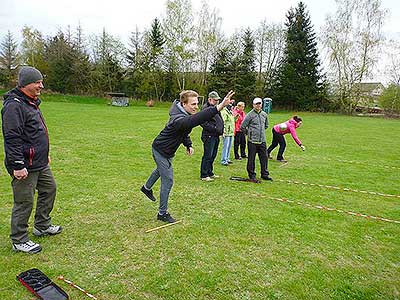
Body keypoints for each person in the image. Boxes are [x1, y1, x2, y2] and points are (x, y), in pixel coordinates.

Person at [141, 90, 234, 223]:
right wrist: (218, 107)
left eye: (197, 103)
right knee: (168, 179)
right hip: (160, 150)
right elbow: (193, 121)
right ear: (183, 104)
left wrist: (188, 145)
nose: (196, 107)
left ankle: (146, 188)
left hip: (168, 151)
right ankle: (162, 213)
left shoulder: (183, 114)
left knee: (160, 171)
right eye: (193, 104)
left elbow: (184, 133)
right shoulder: (178, 119)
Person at [2, 66, 62, 254]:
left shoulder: (30, 102)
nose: (41, 86)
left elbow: (35, 134)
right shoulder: (14, 106)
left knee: (49, 189)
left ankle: (42, 225)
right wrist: (17, 165)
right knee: (24, 201)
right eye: (37, 82)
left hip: (39, 162)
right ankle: (19, 239)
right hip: (24, 165)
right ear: (26, 83)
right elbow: (12, 137)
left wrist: (44, 155)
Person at [240, 97, 273, 182]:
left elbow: (266, 125)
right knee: (251, 159)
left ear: (261, 104)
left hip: (262, 140)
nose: (258, 105)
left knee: (264, 158)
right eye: (256, 104)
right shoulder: (250, 115)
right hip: (252, 141)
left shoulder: (264, 114)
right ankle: (252, 175)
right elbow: (242, 126)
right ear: (253, 105)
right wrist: (249, 133)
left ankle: (264, 174)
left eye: (259, 104)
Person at [200, 91, 224, 181]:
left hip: (216, 135)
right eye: (215, 100)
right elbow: (203, 122)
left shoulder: (215, 108)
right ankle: (204, 174)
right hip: (209, 135)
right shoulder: (205, 109)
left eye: (218, 100)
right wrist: (214, 128)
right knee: (208, 155)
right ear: (209, 99)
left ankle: (210, 172)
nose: (217, 101)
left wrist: (221, 129)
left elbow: (219, 120)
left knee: (213, 155)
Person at [220, 98, 235, 166]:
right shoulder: (224, 112)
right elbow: (223, 122)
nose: (231, 106)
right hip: (226, 132)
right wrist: (223, 131)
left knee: (229, 146)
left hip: (231, 132)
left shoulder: (230, 112)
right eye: (230, 104)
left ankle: (227, 158)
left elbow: (232, 121)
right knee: (225, 146)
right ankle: (223, 160)